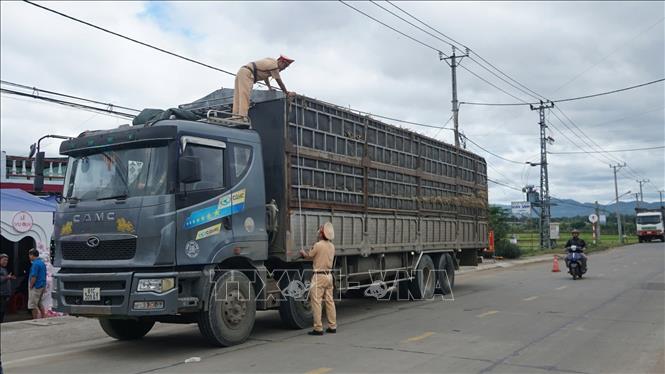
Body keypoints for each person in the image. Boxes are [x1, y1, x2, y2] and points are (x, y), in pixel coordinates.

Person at [232, 55, 296, 122]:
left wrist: (269, 87)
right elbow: (279, 81)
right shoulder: (274, 66)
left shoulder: (271, 61)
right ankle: (242, 117)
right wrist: (287, 92)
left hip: (242, 71)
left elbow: (265, 76)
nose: (284, 68)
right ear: (280, 62)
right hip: (248, 74)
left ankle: (235, 116)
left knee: (238, 95)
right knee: (245, 96)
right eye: (284, 66)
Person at [299, 222, 337, 336]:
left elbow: (309, 256)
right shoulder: (332, 246)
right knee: (330, 301)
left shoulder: (318, 245)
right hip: (329, 276)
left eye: (320, 231)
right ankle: (332, 326)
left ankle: (318, 328)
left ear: (322, 234)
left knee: (316, 302)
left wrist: (303, 253)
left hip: (319, 276)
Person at [28, 249, 47, 319]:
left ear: (32, 255)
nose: (29, 257)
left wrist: (31, 285)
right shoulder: (42, 263)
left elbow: (34, 276)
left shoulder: (35, 264)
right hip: (42, 285)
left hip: (36, 286)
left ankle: (35, 319)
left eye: (29, 255)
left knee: (33, 305)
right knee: (39, 303)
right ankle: (43, 317)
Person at [0, 253, 16, 323]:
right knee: (1, 310)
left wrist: (9, 278)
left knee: (3, 310)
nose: (5, 262)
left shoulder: (4, 269)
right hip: (1, 294)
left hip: (4, 294)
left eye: (7, 260)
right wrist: (7, 277)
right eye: (4, 260)